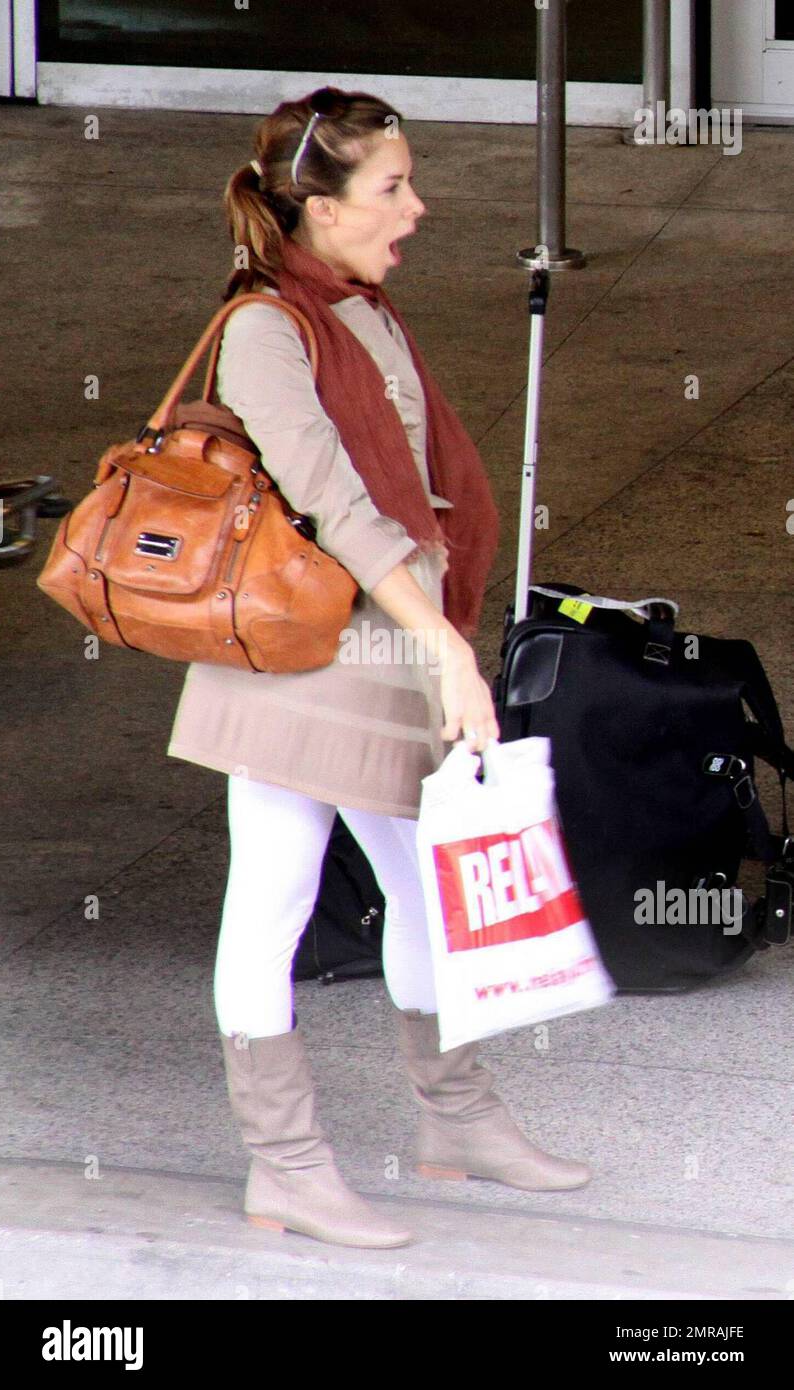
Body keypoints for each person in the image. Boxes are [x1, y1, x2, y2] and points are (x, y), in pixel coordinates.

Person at [166, 86, 591, 1250]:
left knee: (420, 889)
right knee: (277, 896)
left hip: (378, 647)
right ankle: (289, 1166)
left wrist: (430, 640)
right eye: (392, 187)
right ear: (319, 205)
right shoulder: (267, 325)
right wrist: (447, 643)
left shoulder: (357, 307)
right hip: (309, 654)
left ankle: (456, 1121)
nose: (418, 205)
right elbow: (341, 505)